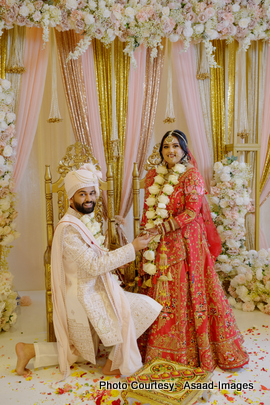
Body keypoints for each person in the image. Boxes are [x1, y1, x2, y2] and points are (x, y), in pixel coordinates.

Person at [15, 163, 162, 378]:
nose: (89, 199)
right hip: (84, 294)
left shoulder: (81, 222)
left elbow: (95, 259)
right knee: (145, 307)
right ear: (70, 198)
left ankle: (28, 350)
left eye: (92, 193)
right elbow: (94, 266)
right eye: (82, 194)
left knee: (80, 353)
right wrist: (132, 248)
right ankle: (114, 362)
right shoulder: (69, 231)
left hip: (95, 287)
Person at [138, 130, 249, 371]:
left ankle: (190, 348)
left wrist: (162, 228)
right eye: (166, 146)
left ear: (184, 150)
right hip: (160, 244)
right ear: (161, 151)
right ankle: (157, 346)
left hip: (188, 243)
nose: (171, 150)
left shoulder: (192, 176)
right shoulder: (152, 176)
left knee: (185, 290)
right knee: (161, 290)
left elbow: (191, 212)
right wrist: (146, 231)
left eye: (176, 146)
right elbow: (148, 207)